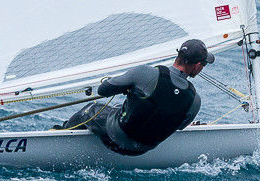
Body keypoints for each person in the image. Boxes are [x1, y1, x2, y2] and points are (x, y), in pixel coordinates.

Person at [56, 39, 214, 155]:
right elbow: (179, 126)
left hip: (115, 137)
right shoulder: (195, 100)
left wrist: (129, 86)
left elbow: (103, 90)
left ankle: (58, 136)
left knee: (92, 110)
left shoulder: (145, 73)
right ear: (197, 65)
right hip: (143, 150)